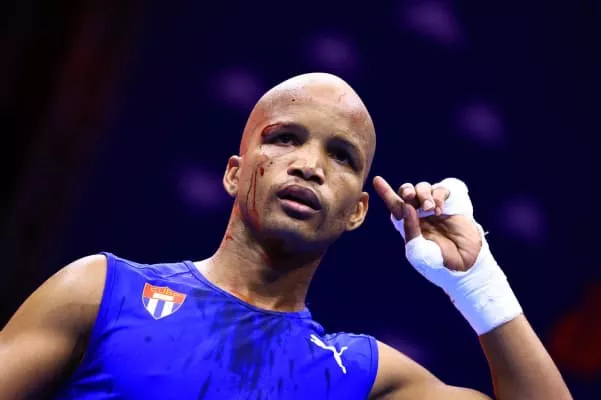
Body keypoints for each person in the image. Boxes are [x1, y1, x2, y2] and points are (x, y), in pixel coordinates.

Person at [0, 72, 571, 399]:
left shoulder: (360, 376)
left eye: (341, 155)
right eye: (285, 139)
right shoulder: (101, 292)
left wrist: (478, 284)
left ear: (357, 212)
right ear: (235, 172)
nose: (309, 165)